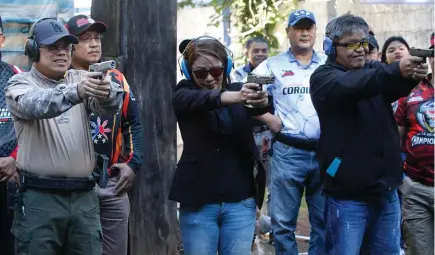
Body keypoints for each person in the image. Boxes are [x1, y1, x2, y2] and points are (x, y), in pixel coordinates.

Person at [309, 14, 428, 254]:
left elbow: (390, 82)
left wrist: (411, 71)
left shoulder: (372, 70)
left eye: (364, 43)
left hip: (385, 190)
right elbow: (356, 84)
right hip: (346, 193)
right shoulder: (323, 77)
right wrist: (396, 69)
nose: (360, 50)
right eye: (351, 44)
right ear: (331, 47)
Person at [5, 18, 123, 254]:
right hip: (40, 199)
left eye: (65, 46)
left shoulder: (80, 78)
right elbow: (36, 105)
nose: (61, 52)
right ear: (33, 50)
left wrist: (107, 91)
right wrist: (77, 91)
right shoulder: (19, 83)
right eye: (52, 47)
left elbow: (111, 104)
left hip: (84, 199)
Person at [169, 36, 269, 255]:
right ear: (188, 71)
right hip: (198, 200)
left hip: (241, 198)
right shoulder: (183, 93)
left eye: (215, 71)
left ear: (227, 66)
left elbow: (264, 113)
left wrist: (261, 103)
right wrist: (237, 96)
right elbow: (204, 100)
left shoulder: (239, 89)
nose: (209, 78)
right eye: (200, 73)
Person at [66, 14, 144, 255]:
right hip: (73, 186)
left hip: (112, 182)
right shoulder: (60, 79)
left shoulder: (116, 78)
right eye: (85, 38)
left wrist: (133, 163)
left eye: (97, 38)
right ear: (69, 46)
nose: (94, 43)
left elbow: (134, 123)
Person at [252, 9, 326, 254]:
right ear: (288, 32)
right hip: (287, 152)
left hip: (326, 153)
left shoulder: (328, 64)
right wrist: (268, 118)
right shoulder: (272, 65)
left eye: (309, 28)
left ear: (315, 31)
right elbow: (247, 94)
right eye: (298, 28)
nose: (304, 33)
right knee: (282, 224)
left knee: (323, 221)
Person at [395, 32, 434, 255]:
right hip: (417, 188)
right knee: (419, 251)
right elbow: (397, 138)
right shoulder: (411, 91)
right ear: (429, 57)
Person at [0, 16, 22, 255]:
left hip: (9, 179)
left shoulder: (17, 77)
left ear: (2, 40)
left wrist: (16, 158)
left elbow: (33, 126)